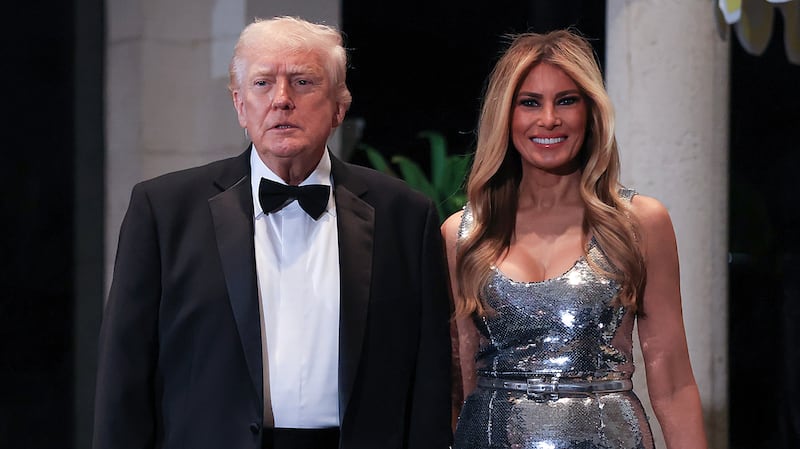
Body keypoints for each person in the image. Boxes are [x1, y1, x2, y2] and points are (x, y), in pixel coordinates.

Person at [93, 16, 452, 449]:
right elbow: (124, 374)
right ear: (240, 105)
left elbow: (429, 380)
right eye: (263, 83)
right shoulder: (165, 211)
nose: (282, 99)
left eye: (303, 82)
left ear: (339, 106)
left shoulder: (405, 216)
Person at [441, 29, 708, 449]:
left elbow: (672, 380)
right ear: (504, 115)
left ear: (591, 112)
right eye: (530, 102)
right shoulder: (463, 233)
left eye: (566, 100)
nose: (549, 119)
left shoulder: (638, 223)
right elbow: (462, 378)